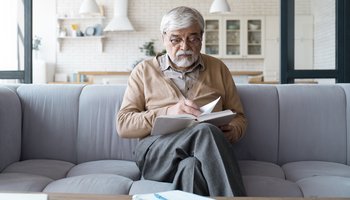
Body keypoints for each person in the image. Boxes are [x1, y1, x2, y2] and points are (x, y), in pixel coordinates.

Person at [117, 6, 247, 197]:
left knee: (191, 167)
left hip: (204, 154)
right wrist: (167, 112)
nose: (185, 47)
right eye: (175, 39)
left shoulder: (218, 68)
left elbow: (239, 117)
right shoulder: (143, 71)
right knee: (204, 131)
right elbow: (123, 124)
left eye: (192, 38)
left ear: (201, 38)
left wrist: (233, 131)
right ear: (164, 38)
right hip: (157, 154)